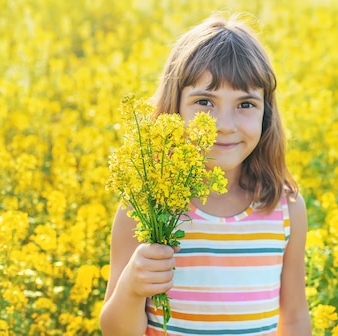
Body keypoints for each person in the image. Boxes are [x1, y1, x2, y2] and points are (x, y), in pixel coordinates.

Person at [100, 14, 312, 336]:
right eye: (204, 102)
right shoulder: (146, 208)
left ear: (266, 114)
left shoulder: (284, 209)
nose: (224, 124)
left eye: (245, 104)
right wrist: (131, 286)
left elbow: (294, 318)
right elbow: (116, 331)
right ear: (175, 110)